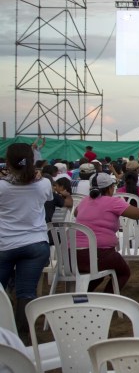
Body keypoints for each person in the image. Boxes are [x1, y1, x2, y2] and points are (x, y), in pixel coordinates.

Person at [74, 172, 139, 292]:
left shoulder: (84, 201)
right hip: (100, 255)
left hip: (73, 256)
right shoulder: (113, 202)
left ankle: (84, 295)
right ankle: (107, 300)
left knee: (100, 273)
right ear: (110, 188)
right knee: (123, 272)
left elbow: (76, 213)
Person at [0, 143, 52, 339]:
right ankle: (23, 338)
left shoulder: (2, 187)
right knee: (26, 292)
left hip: (4, 244)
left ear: (7, 162)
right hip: (36, 244)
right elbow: (45, 195)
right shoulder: (44, 184)